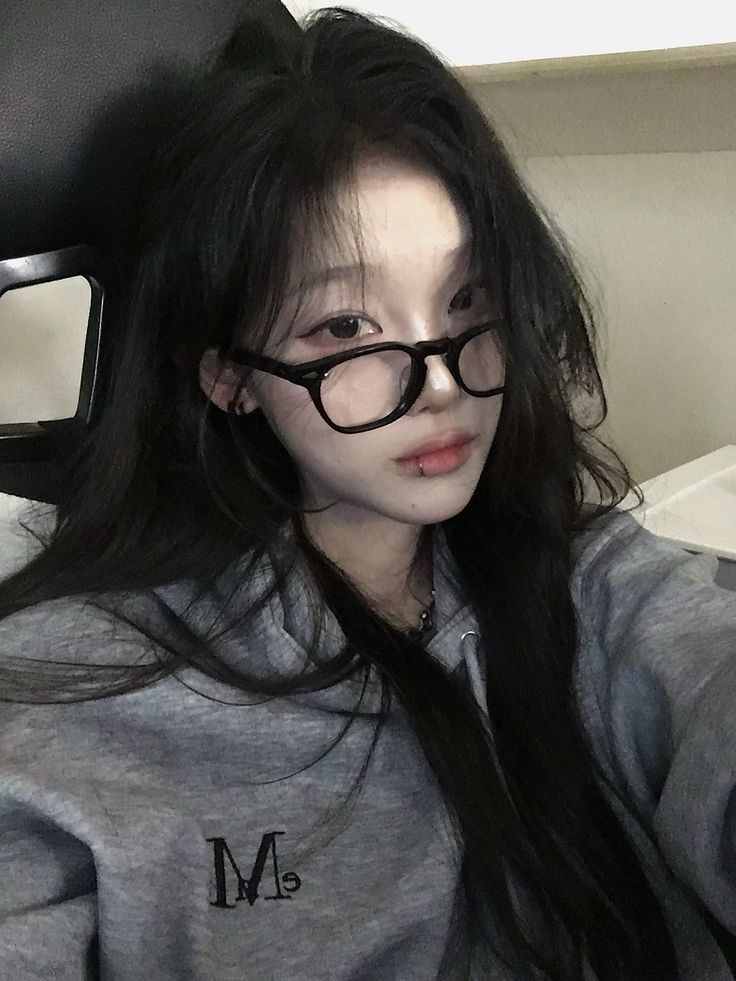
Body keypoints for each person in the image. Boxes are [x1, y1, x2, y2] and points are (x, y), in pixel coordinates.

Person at [0, 7, 734, 980]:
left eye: (467, 300)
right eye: (345, 328)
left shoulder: (589, 581)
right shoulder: (67, 692)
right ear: (229, 376)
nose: (442, 385)